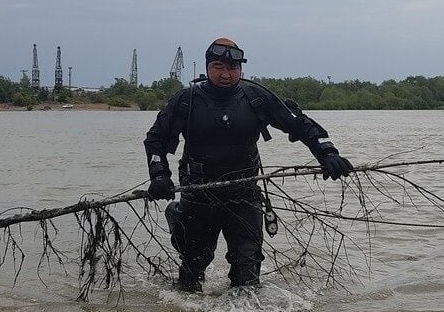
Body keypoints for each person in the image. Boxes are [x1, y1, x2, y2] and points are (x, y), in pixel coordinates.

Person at [144, 38, 354, 292]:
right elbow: (155, 139)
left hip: (244, 195)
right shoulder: (186, 100)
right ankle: (177, 218)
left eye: (232, 68)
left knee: (248, 276)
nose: (225, 74)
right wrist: (158, 175)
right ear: (208, 66)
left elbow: (301, 124)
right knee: (191, 271)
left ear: (241, 69)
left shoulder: (257, 97)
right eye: (218, 66)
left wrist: (328, 153)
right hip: (198, 193)